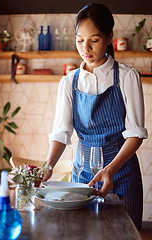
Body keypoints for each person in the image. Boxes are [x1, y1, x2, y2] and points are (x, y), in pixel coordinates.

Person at [42, 3, 148, 230]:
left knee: (125, 233)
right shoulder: (69, 81)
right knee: (82, 232)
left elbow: (136, 134)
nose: (85, 48)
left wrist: (111, 169)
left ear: (109, 37)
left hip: (122, 172)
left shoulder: (128, 77)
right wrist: (48, 166)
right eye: (80, 40)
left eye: (94, 40)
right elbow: (61, 133)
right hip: (83, 175)